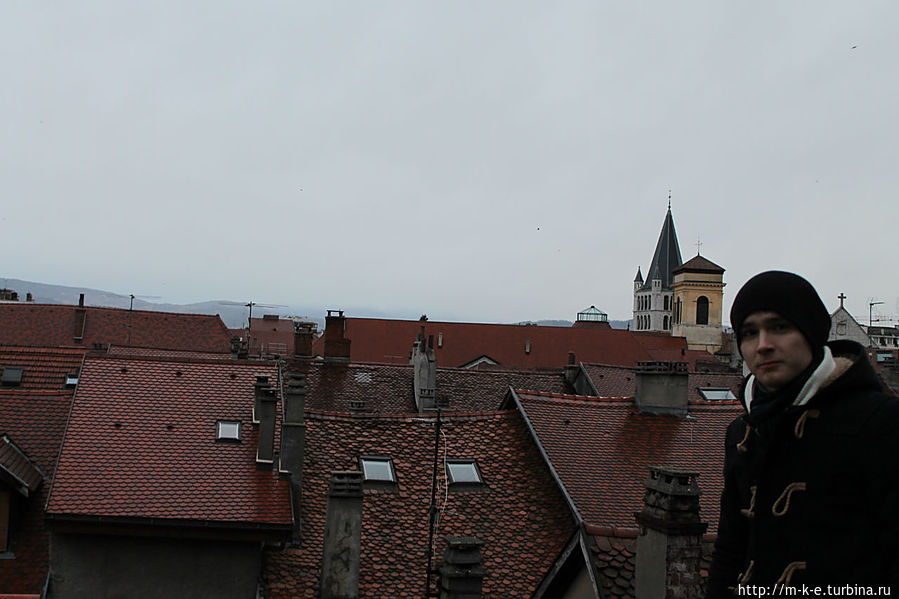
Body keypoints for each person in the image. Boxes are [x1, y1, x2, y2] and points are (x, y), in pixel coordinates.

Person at [707, 271, 899, 597]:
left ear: (810, 333)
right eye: (750, 332)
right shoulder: (743, 432)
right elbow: (730, 549)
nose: (763, 345)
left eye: (780, 327)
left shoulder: (880, 422)